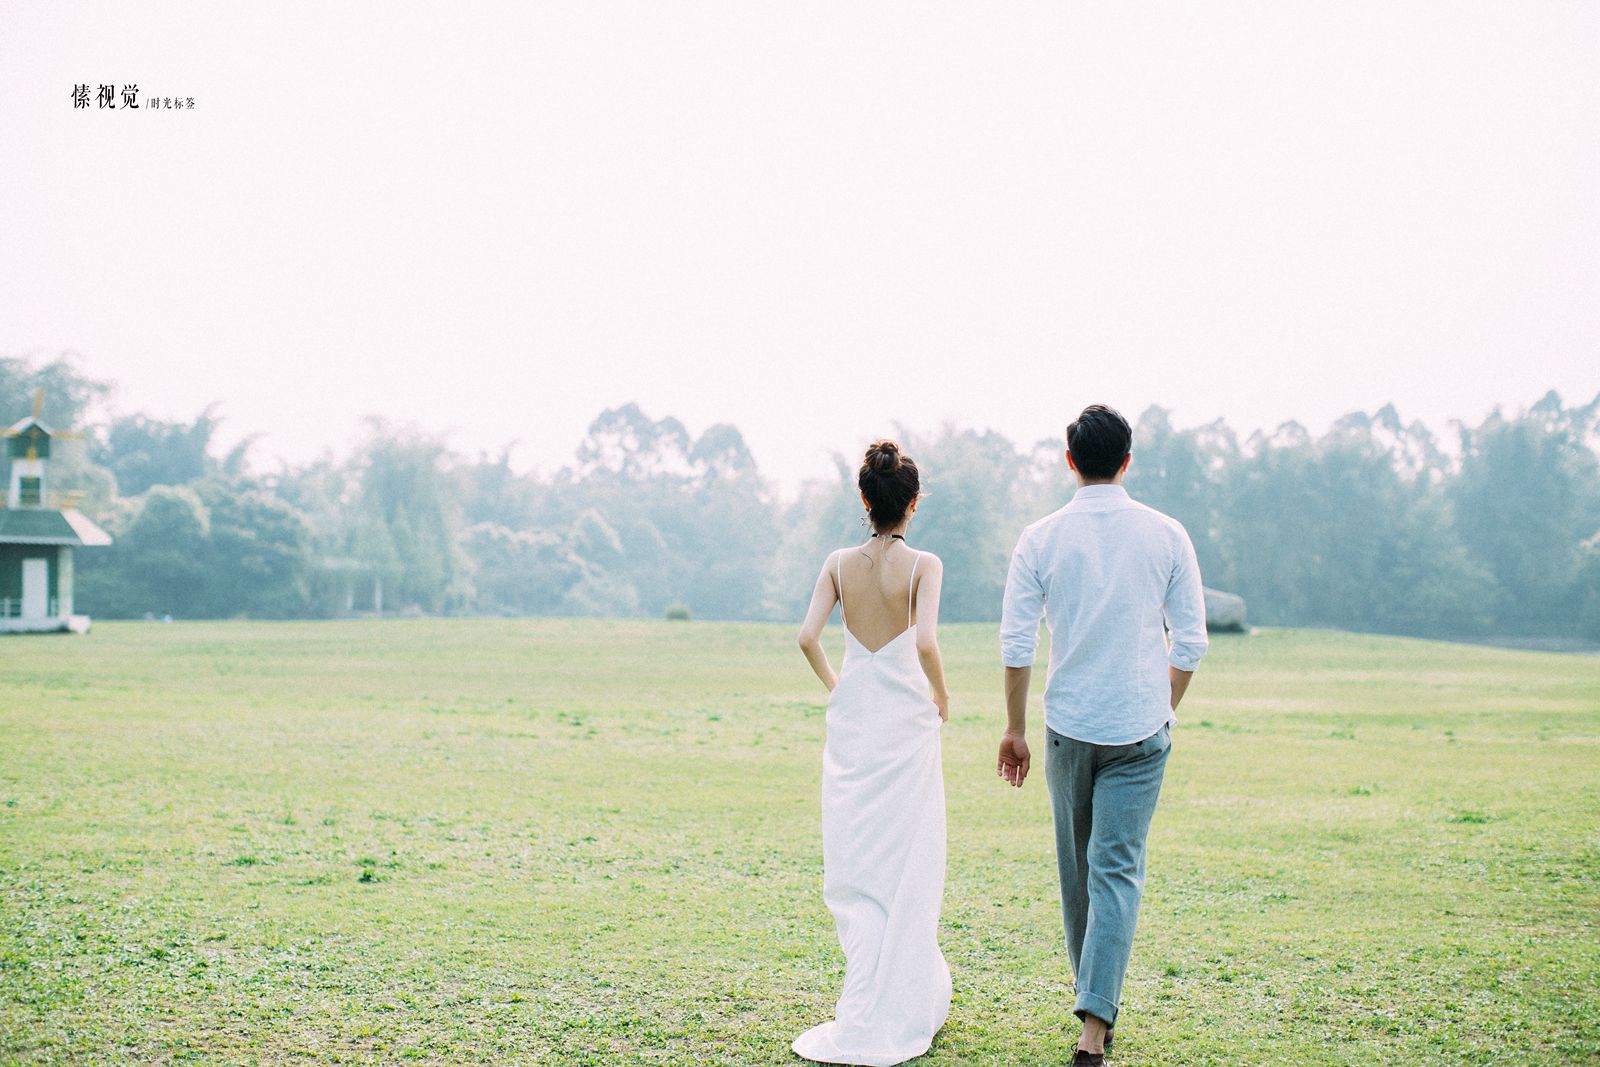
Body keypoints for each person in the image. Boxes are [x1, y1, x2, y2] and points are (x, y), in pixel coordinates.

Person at [996, 404, 1209, 1066]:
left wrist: (1014, 728)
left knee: (1079, 873)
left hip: (1068, 728)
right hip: (1141, 728)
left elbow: (1016, 639)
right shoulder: (1167, 534)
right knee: (1115, 870)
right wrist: (1162, 705)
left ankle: (1094, 1017)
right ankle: (1095, 1022)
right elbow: (1192, 639)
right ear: (1127, 461)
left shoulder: (1039, 538)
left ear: (1070, 460)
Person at [793, 438, 953, 1067]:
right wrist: (943, 697)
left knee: (859, 856)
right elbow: (929, 643)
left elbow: (807, 637)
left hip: (856, 722)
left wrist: (840, 685)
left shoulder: (837, 562)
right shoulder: (924, 565)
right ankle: (906, 994)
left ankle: (870, 990)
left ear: (865, 500)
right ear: (912, 504)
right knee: (909, 854)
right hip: (906, 725)